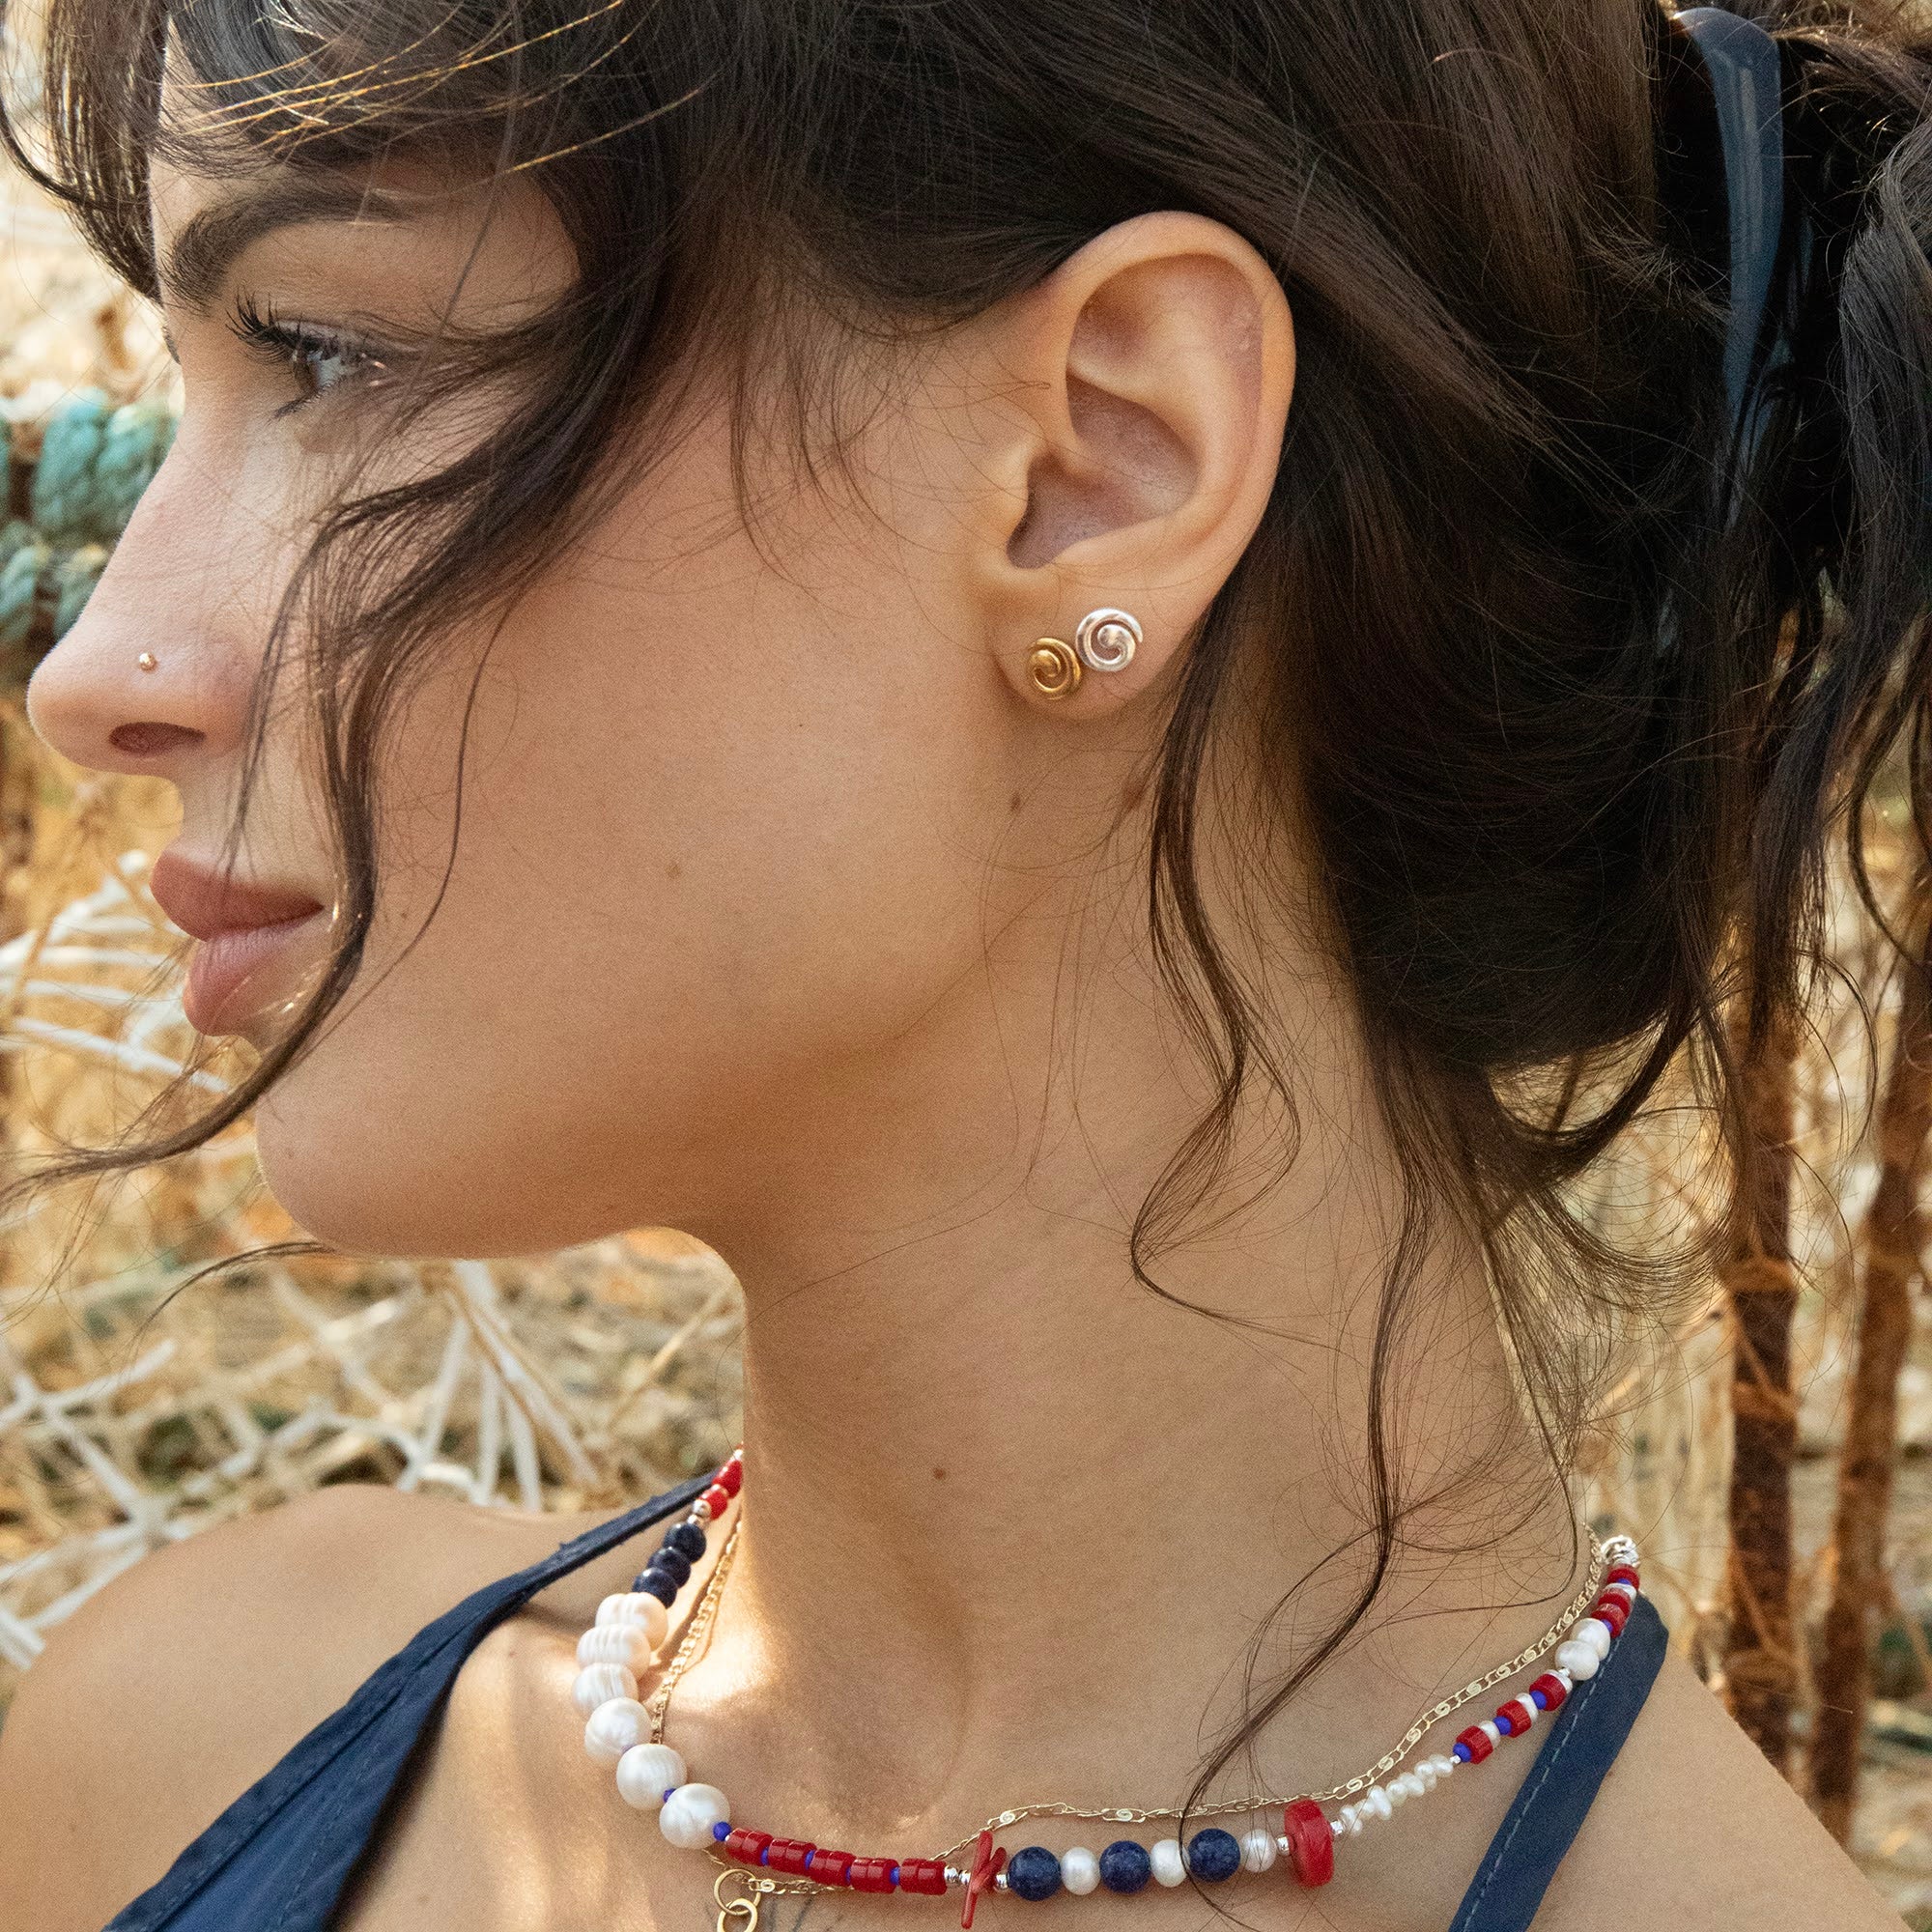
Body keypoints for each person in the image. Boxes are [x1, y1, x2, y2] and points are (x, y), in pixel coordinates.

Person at [0, 0, 1923, 1925]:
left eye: (330, 353)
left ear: (1103, 461)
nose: (96, 676)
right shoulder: (182, 1752)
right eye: (192, 391)